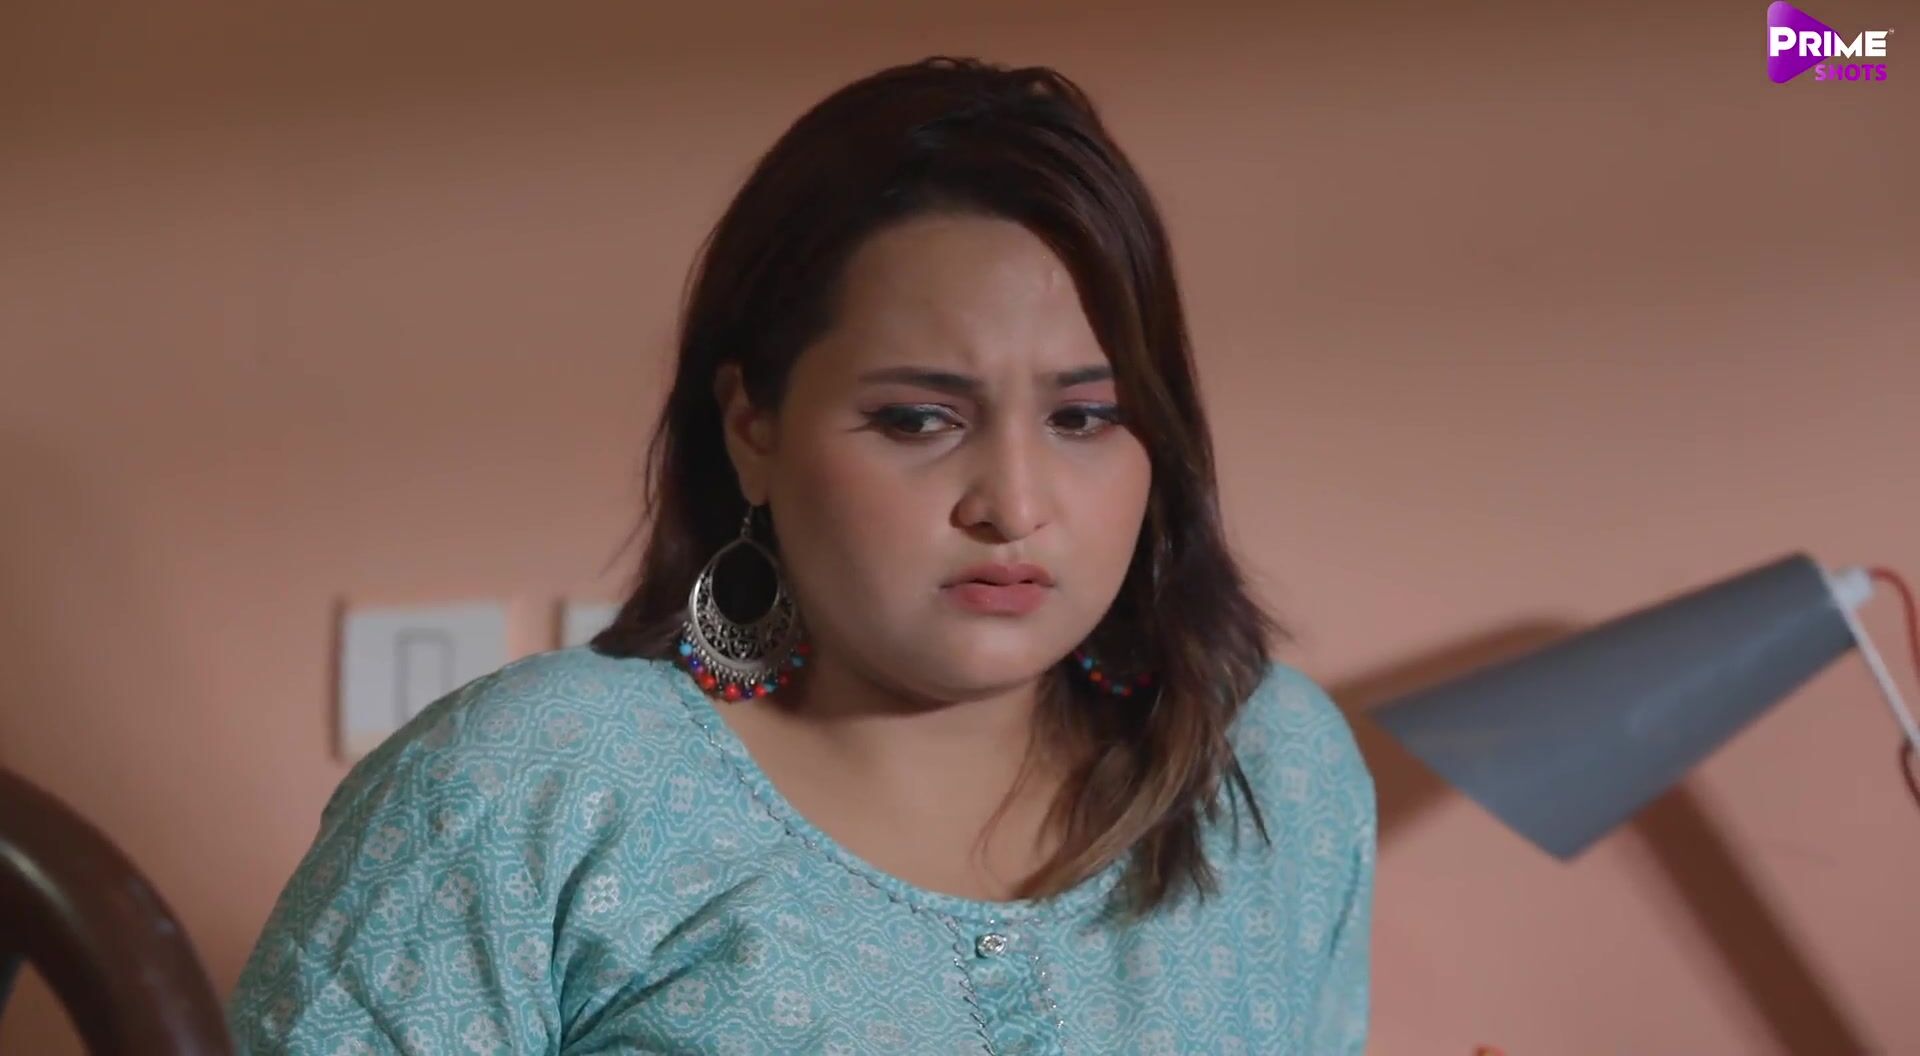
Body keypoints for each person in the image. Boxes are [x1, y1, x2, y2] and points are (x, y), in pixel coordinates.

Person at [227, 55, 1376, 1055]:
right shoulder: (534, 786)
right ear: (753, 429)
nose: (1014, 505)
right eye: (918, 420)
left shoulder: (1268, 767)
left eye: (1084, 418)